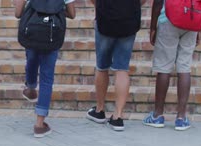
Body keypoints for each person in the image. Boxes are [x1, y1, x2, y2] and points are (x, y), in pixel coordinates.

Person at [143, 0, 201, 131]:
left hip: (168, 18)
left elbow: (157, 2)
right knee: (184, 67)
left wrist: (153, 27)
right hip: (192, 18)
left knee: (164, 67)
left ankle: (157, 115)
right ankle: (181, 118)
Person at [15, 0, 75, 138]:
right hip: (51, 34)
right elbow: (72, 14)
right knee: (47, 79)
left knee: (31, 59)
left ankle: (30, 87)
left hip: (32, 31)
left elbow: (18, 13)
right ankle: (39, 124)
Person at [85, 0, 147, 131]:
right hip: (129, 19)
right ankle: (117, 116)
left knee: (102, 67)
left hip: (105, 17)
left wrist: (100, 5)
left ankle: (100, 109)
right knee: (122, 68)